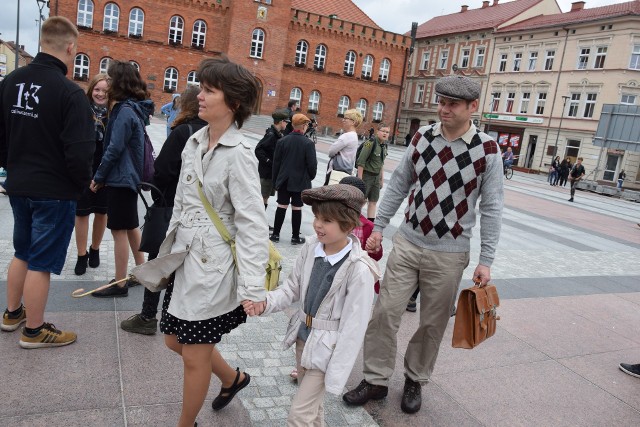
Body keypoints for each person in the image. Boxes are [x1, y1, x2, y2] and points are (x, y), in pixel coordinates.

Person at [343, 75, 504, 414]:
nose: (443, 109)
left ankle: (415, 377)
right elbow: (399, 184)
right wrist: (380, 227)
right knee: (385, 311)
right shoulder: (422, 137)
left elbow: (491, 208)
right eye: (441, 101)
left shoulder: (487, 149)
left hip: (450, 254)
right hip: (408, 243)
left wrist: (486, 260)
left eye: (452, 104)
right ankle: (376, 379)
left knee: (432, 323)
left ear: (472, 107)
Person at [157, 57, 268, 427]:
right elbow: (182, 203)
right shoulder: (195, 140)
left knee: (193, 354)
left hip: (215, 267)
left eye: (208, 90)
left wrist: (253, 286)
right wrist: (166, 255)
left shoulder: (239, 155)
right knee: (175, 341)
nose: (198, 96)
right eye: (200, 88)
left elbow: (252, 224)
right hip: (187, 259)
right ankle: (232, 378)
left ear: (233, 103)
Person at [243, 184, 379, 427]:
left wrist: (337, 372)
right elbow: (292, 288)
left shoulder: (359, 270)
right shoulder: (311, 248)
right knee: (313, 411)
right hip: (303, 338)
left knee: (299, 416)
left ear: (348, 225)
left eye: (327, 220)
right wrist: (265, 303)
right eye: (317, 217)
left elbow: (354, 328)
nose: (318, 224)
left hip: (328, 349)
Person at [0, 16, 95, 347]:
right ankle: (35, 330)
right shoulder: (69, 92)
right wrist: (80, 185)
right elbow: (80, 152)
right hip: (53, 191)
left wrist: (11, 168)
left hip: (19, 183)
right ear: (71, 47)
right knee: (40, 262)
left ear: (42, 42)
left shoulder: (11, 81)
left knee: (22, 252)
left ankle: (13, 313)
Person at [120, 85, 206, 335]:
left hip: (172, 207)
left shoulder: (183, 132)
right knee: (189, 265)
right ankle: (182, 318)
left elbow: (162, 171)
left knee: (159, 259)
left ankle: (148, 316)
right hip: (201, 213)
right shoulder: (213, 133)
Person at [90, 61, 154, 297]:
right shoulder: (133, 108)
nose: (106, 83)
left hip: (120, 178)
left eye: (110, 79)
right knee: (129, 227)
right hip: (128, 178)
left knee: (118, 230)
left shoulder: (124, 111)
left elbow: (114, 149)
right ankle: (142, 273)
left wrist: (99, 176)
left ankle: (119, 284)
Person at [73, 73, 110, 276]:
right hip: (83, 167)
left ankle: (95, 249)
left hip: (105, 168)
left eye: (105, 90)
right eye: (97, 89)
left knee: (101, 212)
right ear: (91, 90)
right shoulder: (82, 110)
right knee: (81, 213)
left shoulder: (113, 113)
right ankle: (81, 254)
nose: (100, 94)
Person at [270, 113, 318, 245]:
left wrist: (275, 182)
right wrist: (310, 177)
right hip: (300, 181)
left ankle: (275, 234)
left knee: (281, 205)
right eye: (307, 125)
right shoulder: (308, 144)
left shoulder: (282, 141)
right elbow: (312, 165)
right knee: (297, 208)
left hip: (284, 180)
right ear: (303, 126)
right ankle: (295, 237)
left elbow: (276, 164)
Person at [255, 109, 289, 214]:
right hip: (266, 173)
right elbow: (258, 150)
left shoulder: (277, 134)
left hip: (271, 173)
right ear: (281, 121)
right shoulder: (271, 135)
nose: (287, 124)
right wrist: (269, 161)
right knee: (263, 198)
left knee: (265, 197)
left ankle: (261, 222)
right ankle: (258, 223)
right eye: (286, 121)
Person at [356, 123, 389, 222]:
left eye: (387, 132)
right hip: (366, 176)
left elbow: (381, 163)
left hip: (376, 178)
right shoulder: (370, 143)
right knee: (361, 201)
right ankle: (354, 221)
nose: (385, 134)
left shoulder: (384, 145)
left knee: (373, 202)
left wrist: (381, 179)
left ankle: (370, 224)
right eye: (383, 131)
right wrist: (360, 180)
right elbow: (361, 162)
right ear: (378, 131)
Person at [325, 109, 362, 185]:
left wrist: (336, 153)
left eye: (346, 118)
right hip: (347, 171)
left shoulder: (346, 136)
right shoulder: (354, 136)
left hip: (337, 171)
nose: (343, 120)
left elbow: (331, 152)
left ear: (353, 122)